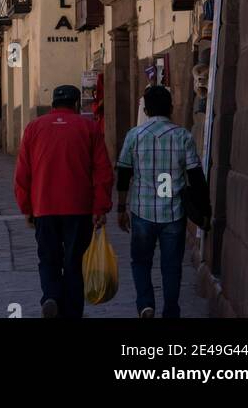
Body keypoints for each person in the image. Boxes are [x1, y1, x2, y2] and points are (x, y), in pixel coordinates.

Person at [14, 84, 114, 319]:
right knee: (74, 262)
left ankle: (50, 296)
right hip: (79, 207)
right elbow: (103, 172)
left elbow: (22, 173)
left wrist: (26, 207)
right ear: (77, 103)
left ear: (53, 105)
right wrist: (101, 207)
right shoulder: (89, 127)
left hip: (43, 206)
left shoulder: (34, 128)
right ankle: (72, 312)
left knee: (48, 258)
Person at [116, 84, 210, 320]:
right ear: (170, 108)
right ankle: (171, 311)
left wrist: (121, 207)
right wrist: (205, 209)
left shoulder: (134, 136)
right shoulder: (183, 136)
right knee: (171, 266)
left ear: (145, 110)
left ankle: (146, 304)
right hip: (174, 213)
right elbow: (196, 176)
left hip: (141, 211)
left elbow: (124, 173)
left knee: (140, 261)